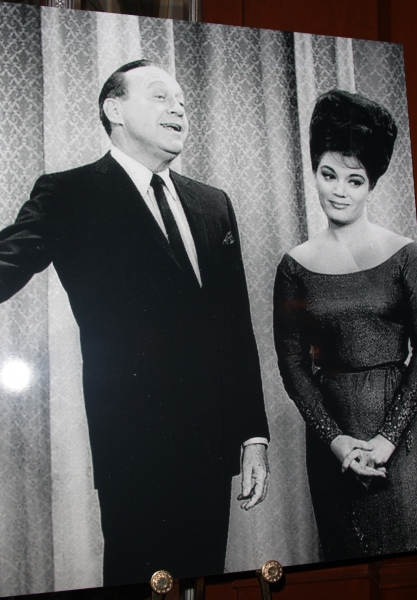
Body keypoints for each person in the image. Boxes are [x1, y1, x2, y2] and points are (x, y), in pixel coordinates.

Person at [0, 60, 269, 585]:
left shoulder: (214, 205)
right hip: (133, 450)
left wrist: (253, 434)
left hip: (211, 452)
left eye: (183, 102)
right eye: (160, 96)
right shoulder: (69, 193)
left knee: (200, 584)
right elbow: (8, 259)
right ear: (114, 109)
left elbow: (236, 328)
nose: (178, 109)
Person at [274, 89, 417, 561]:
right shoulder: (294, 266)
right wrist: (337, 443)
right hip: (331, 437)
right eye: (328, 174)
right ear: (314, 174)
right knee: (346, 569)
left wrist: (388, 438)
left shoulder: (405, 255)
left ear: (371, 184)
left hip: (403, 435)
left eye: (354, 180)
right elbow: (293, 367)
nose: (339, 190)